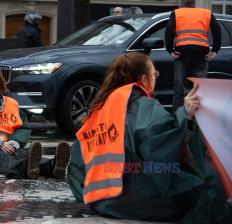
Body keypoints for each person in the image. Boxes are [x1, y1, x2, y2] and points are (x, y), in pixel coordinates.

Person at [67, 52, 232, 224]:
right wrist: (185, 116)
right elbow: (162, 151)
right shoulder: (144, 106)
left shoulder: (97, 113)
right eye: (154, 74)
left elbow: (77, 168)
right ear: (145, 80)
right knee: (208, 191)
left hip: (101, 202)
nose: (156, 78)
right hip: (141, 202)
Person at [0, 66, 71, 180]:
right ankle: (24, 169)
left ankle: (52, 165)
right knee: (1, 158)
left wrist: (14, 142)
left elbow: (23, 127)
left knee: (23, 154)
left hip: (10, 146)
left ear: (0, 82)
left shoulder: (11, 103)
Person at [165, 0, 221, 112]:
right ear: (194, 2)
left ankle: (178, 123)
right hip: (201, 55)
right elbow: (217, 30)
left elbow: (169, 31)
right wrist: (215, 50)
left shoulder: (177, 13)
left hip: (182, 54)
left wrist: (170, 49)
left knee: (179, 92)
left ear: (183, 2)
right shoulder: (206, 13)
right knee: (199, 92)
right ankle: (198, 125)